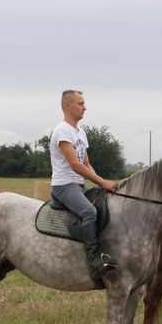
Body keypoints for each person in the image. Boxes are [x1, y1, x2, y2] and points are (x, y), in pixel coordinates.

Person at [49, 89, 119, 284]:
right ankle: (95, 263)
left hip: (78, 185)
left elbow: (86, 163)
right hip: (64, 186)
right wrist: (101, 182)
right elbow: (75, 164)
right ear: (67, 106)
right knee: (89, 213)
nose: (84, 107)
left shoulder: (80, 133)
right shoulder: (62, 130)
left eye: (84, 103)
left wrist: (100, 181)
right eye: (80, 104)